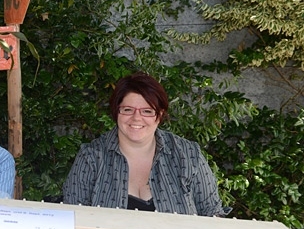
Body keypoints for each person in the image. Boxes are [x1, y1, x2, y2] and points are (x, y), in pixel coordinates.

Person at [62, 72, 227, 216]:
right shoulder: (91, 157)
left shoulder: (188, 155)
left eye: (147, 111)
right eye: (128, 109)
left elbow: (213, 214)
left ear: (160, 115)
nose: (136, 118)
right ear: (116, 112)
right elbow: (72, 218)